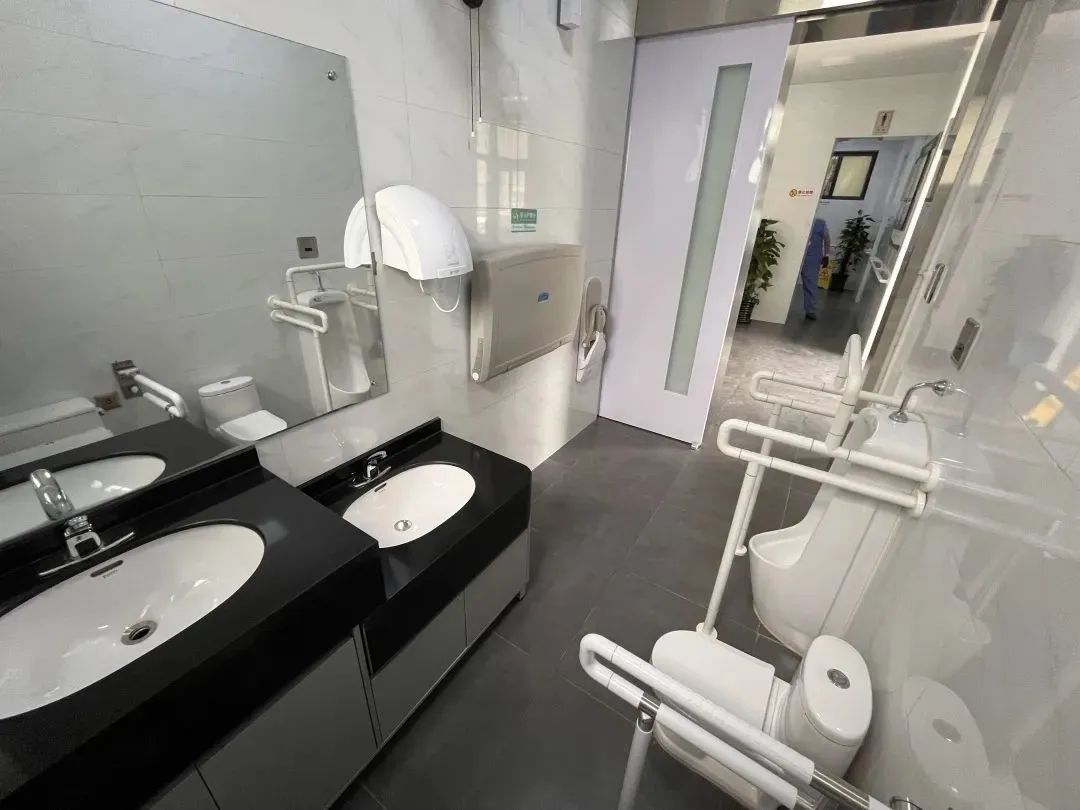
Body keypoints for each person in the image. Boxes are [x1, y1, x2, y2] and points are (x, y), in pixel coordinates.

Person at [800, 217, 830, 321]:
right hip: (797, 255)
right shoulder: (797, 219)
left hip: (812, 258)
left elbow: (827, 240)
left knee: (810, 284)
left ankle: (810, 310)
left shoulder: (820, 223)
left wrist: (826, 255)